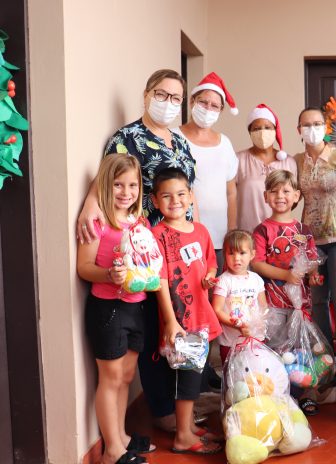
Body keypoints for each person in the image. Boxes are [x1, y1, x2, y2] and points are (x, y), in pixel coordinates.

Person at [76, 69, 203, 432]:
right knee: (152, 327)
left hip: (180, 246)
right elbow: (109, 177)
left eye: (175, 98)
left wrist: (196, 233)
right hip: (144, 249)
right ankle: (163, 410)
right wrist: (89, 205)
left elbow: (189, 192)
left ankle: (183, 407)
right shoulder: (127, 138)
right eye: (161, 94)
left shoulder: (180, 142)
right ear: (147, 95)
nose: (168, 103)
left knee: (178, 319)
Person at [77, 154, 154, 464]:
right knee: (110, 377)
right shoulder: (98, 223)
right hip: (108, 309)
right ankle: (111, 451)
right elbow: (84, 267)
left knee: (126, 375)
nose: (126, 192)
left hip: (136, 307)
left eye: (132, 185)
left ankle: (120, 436)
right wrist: (109, 275)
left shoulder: (139, 222)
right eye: (118, 185)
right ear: (105, 186)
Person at [150, 168, 223, 455]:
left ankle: (189, 426)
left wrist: (210, 277)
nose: (175, 201)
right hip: (180, 321)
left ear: (191, 196)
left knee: (194, 374)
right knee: (186, 379)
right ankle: (182, 436)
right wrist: (170, 321)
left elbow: (211, 262)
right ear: (155, 200)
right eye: (167, 196)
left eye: (181, 194)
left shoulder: (201, 231)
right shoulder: (158, 235)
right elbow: (160, 281)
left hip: (201, 316)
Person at [250, 169, 321, 415]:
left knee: (303, 348)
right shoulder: (262, 230)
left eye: (286, 191)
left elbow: (312, 259)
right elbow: (257, 263)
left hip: (300, 303)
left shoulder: (304, 230)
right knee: (278, 349)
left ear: (296, 196)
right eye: (274, 191)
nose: (280, 196)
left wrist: (314, 274)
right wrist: (286, 275)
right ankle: (280, 393)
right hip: (273, 303)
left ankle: (306, 394)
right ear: (266, 197)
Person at [294, 107, 336, 378]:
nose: (312, 129)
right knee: (318, 300)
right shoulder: (297, 161)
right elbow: (293, 195)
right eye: (306, 125)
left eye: (317, 123)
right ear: (299, 130)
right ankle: (326, 360)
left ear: (326, 127)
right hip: (311, 241)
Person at [174, 72, 239, 272]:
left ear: (221, 110)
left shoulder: (225, 143)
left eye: (214, 106)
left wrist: (231, 231)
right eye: (203, 102)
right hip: (183, 233)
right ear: (192, 101)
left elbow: (231, 192)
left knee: (216, 286)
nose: (208, 108)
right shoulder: (174, 137)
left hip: (218, 237)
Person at [234, 104, 297, 233]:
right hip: (247, 234)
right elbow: (230, 197)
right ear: (250, 132)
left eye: (267, 127)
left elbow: (292, 199)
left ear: (275, 130)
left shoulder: (288, 162)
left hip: (280, 233)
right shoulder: (238, 160)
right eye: (257, 128)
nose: (262, 132)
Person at [212, 229, 268, 363]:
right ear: (225, 255)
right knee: (231, 372)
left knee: (255, 370)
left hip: (255, 338)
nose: (236, 258)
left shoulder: (256, 279)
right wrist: (239, 325)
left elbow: (263, 306)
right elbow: (217, 310)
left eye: (242, 253)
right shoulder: (223, 281)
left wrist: (260, 325)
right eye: (231, 253)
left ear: (252, 254)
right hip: (231, 342)